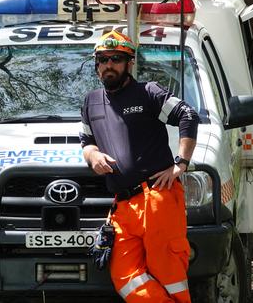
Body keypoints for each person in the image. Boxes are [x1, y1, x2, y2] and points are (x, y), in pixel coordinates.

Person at [79, 31, 199, 302]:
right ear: (96, 64)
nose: (109, 65)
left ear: (129, 63)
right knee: (125, 277)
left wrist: (180, 163)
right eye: (103, 59)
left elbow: (187, 115)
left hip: (157, 197)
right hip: (122, 206)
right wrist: (93, 156)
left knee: (169, 277)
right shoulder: (91, 101)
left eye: (116, 59)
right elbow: (86, 140)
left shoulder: (148, 92)